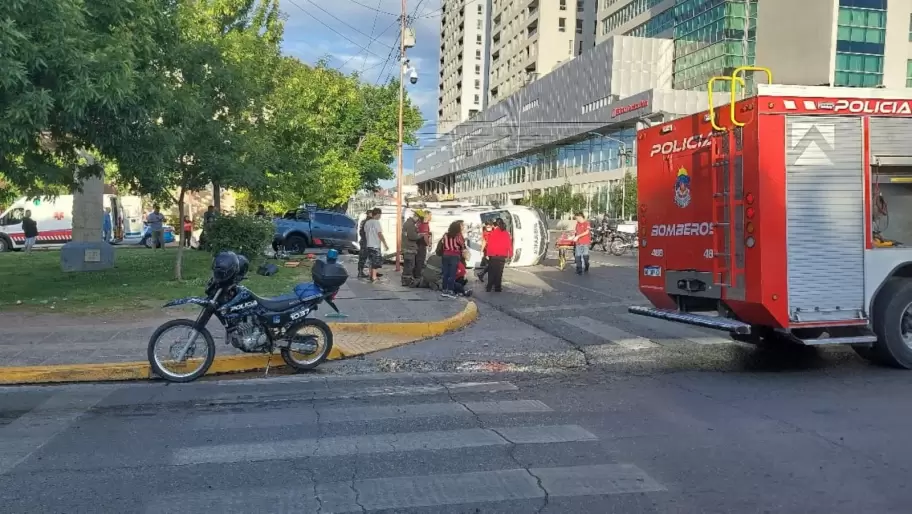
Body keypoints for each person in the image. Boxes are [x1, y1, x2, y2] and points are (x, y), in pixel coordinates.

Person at [484, 218, 513, 292]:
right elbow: (509, 244)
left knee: (491, 272)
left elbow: (490, 244)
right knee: (499, 273)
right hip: (502, 255)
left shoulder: (493, 233)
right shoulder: (506, 233)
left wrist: (488, 253)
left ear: (496, 225)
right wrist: (510, 254)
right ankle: (498, 287)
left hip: (493, 255)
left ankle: (489, 287)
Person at [439, 220, 465, 298]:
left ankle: (444, 290)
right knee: (452, 274)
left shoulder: (445, 235)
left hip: (445, 255)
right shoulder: (458, 236)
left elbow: (442, 244)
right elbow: (462, 245)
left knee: (445, 273)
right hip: (454, 255)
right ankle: (450, 290)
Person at [363, 208, 388, 283]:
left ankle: (370, 275)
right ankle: (374, 277)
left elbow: (365, 232)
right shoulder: (376, 222)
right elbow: (379, 234)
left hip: (369, 244)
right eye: (380, 215)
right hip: (375, 245)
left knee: (370, 261)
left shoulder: (367, 222)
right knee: (376, 262)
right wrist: (385, 244)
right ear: (377, 214)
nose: (380, 217)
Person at [401, 211, 424, 286]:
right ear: (417, 217)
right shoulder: (411, 225)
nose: (419, 222)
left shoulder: (407, 223)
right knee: (410, 265)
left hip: (406, 248)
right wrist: (420, 235)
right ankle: (407, 281)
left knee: (407, 265)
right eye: (419, 220)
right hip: (410, 248)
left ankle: (404, 280)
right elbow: (412, 236)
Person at [416, 210, 431, 279]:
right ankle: (418, 275)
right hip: (421, 244)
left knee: (418, 259)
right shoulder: (424, 224)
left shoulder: (419, 223)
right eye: (430, 215)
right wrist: (428, 244)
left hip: (418, 244)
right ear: (426, 216)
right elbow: (425, 236)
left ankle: (416, 274)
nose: (431, 217)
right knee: (421, 260)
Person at [357, 209, 372, 278]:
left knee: (362, 257)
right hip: (367, 241)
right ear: (369, 214)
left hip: (363, 241)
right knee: (369, 257)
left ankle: (360, 272)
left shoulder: (364, 221)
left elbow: (360, 232)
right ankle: (370, 273)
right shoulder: (370, 222)